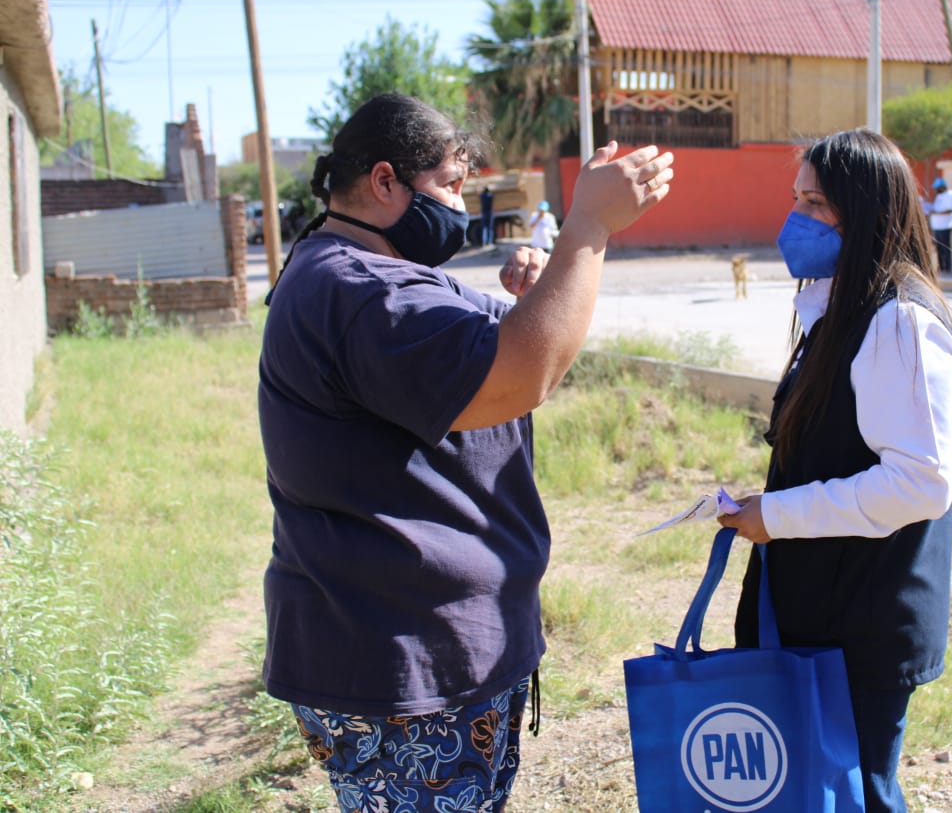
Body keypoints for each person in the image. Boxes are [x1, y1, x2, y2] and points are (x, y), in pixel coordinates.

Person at [258, 93, 673, 813]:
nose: (460, 203)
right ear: (385, 181)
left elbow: (496, 344)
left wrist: (540, 290)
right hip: (404, 659)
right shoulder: (357, 289)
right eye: (451, 183)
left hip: (417, 648)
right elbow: (520, 373)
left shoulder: (363, 272)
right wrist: (589, 228)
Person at [717, 129, 952, 813]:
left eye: (816, 203)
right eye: (796, 198)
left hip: (862, 619)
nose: (796, 218)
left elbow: (920, 482)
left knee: (858, 797)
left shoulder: (900, 323)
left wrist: (779, 514)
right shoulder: (839, 309)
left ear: (866, 210)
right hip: (824, 607)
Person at [927, 176, 952, 271]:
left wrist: (936, 213)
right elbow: (936, 208)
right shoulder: (939, 196)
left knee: (946, 248)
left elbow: (950, 210)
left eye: (937, 188)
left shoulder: (950, 195)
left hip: (945, 226)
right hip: (937, 226)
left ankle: (948, 268)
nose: (936, 190)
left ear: (942, 187)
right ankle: (941, 268)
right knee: (938, 248)